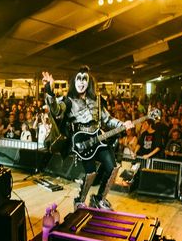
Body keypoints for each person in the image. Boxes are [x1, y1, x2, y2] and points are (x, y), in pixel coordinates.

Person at [42, 66, 132, 210]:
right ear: (74, 81)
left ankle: (99, 198)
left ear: (89, 82)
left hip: (98, 138)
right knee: (91, 172)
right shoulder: (69, 100)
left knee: (113, 168)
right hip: (81, 140)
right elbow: (56, 110)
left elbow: (107, 119)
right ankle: (80, 200)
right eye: (79, 78)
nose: (81, 82)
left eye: (84, 79)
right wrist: (50, 89)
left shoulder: (96, 100)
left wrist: (123, 124)